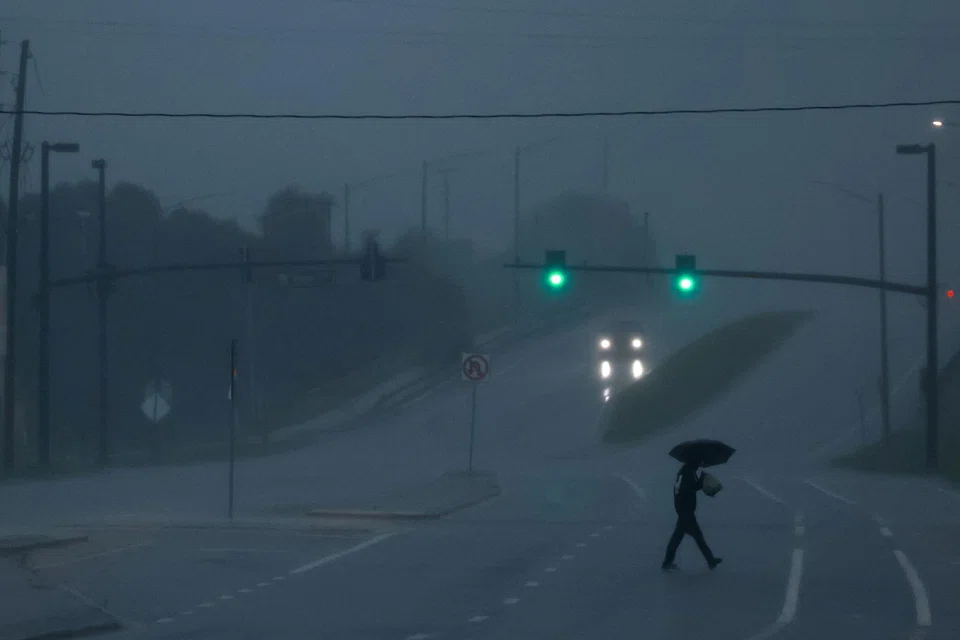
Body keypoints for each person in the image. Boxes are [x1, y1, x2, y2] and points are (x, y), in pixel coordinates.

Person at [661, 460, 723, 571]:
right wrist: (700, 481)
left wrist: (699, 481)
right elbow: (689, 489)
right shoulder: (687, 473)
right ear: (693, 462)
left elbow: (684, 489)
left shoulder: (685, 472)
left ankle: (710, 560)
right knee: (681, 538)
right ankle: (710, 560)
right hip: (686, 511)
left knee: (687, 537)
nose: (699, 464)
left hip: (685, 510)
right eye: (698, 462)